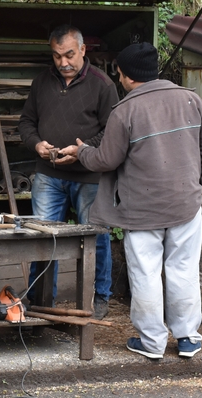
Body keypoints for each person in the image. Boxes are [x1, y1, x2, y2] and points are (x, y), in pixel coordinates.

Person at [61, 42, 202, 359]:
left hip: (141, 211)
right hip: (186, 206)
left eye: (119, 73)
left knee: (145, 273)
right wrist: (194, 187)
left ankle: (152, 343)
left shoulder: (125, 111)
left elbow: (106, 159)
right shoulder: (192, 100)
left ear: (128, 76)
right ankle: (188, 338)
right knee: (183, 268)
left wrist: (82, 152)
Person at [18, 25, 120, 319]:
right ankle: (40, 303)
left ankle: (98, 299)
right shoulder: (42, 82)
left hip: (89, 176)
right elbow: (26, 123)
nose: (63, 62)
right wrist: (37, 144)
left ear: (83, 50)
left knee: (96, 237)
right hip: (49, 176)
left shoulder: (103, 85)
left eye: (69, 55)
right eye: (57, 56)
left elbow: (112, 132)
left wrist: (83, 150)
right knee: (44, 237)